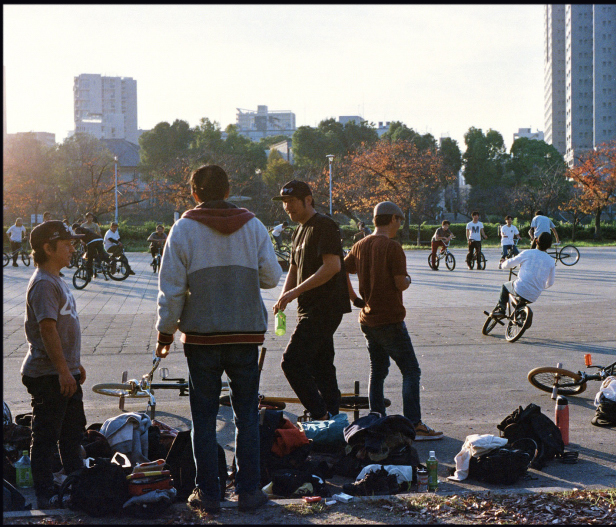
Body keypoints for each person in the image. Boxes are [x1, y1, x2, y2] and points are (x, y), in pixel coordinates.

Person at [155, 164, 281, 512]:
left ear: (194, 193)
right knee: (247, 415)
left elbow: (172, 291)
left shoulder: (182, 230)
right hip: (245, 335)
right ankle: (249, 491)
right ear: (228, 191)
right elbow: (271, 277)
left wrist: (165, 333)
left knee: (205, 417)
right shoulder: (254, 226)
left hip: (202, 337)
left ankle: (208, 494)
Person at [343, 201, 443, 441]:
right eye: (400, 220)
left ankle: (376, 417)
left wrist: (355, 298)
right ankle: (414, 423)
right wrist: (408, 279)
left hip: (367, 318)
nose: (400, 225)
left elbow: (341, 270)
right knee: (411, 370)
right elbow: (400, 283)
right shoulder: (392, 247)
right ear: (393, 219)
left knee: (377, 370)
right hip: (390, 319)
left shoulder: (359, 245)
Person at [271, 180, 352, 422]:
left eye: (292, 202)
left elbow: (332, 266)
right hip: (308, 307)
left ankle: (319, 413)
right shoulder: (298, 231)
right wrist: (284, 296)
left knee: (292, 362)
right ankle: (332, 418)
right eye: (284, 203)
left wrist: (294, 293)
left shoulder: (324, 225)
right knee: (322, 365)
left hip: (325, 307)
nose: (287, 207)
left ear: (308, 200)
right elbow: (294, 269)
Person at [20, 221, 86, 509]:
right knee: (46, 436)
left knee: (73, 432)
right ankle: (45, 493)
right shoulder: (44, 283)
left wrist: (74, 364)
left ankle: (77, 483)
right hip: (48, 374)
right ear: (48, 248)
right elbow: (47, 329)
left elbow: (64, 326)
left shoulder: (56, 278)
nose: (73, 247)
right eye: (67, 243)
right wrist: (62, 369)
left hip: (63, 371)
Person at [495, 232, 556, 317]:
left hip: (520, 288)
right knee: (520, 297)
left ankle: (501, 310)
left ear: (536, 241)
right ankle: (521, 312)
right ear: (549, 246)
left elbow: (510, 263)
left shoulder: (527, 253)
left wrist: (502, 265)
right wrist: (539, 286)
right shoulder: (551, 261)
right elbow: (550, 283)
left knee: (505, 287)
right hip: (534, 295)